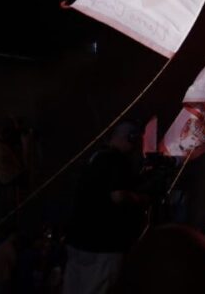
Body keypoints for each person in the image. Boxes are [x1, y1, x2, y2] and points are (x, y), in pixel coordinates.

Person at [64, 121, 147, 294]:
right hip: (103, 244)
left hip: (78, 241)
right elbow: (118, 196)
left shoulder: (94, 157)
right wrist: (139, 198)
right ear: (130, 139)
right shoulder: (116, 160)